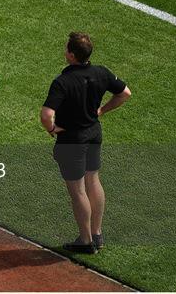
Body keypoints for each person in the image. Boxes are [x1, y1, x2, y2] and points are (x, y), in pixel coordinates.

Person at [40, 32, 131, 254]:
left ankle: (85, 240)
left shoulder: (62, 82)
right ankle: (97, 234)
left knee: (78, 191)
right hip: (93, 134)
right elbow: (125, 93)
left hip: (72, 140)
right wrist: (101, 110)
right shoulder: (101, 72)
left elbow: (46, 114)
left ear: (71, 55)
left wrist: (51, 129)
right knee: (93, 181)